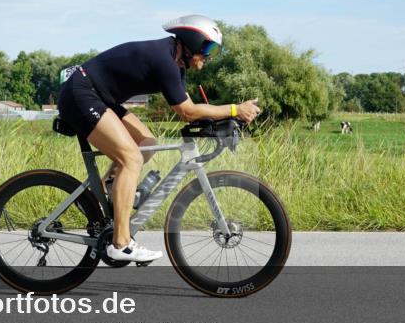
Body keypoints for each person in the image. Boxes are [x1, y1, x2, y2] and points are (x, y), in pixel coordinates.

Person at [56, 14, 261, 263]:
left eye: (214, 50)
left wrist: (224, 120)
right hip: (82, 93)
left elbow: (191, 110)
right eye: (207, 47)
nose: (209, 55)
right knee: (131, 158)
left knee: (147, 145)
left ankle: (104, 195)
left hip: (100, 96)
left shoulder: (176, 64)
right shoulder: (164, 60)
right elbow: (187, 111)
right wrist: (233, 110)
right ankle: (120, 244)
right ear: (192, 42)